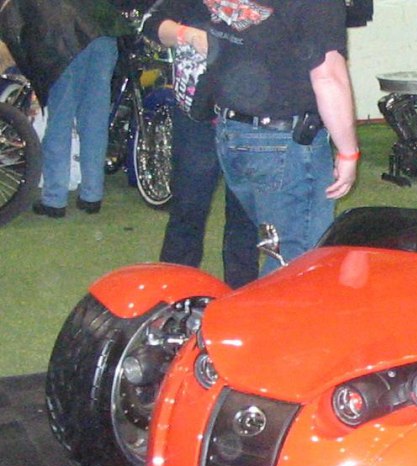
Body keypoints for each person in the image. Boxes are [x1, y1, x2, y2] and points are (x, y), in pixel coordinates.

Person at [203, 0, 359, 275]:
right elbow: (328, 79)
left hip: (232, 131)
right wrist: (348, 152)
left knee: (276, 247)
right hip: (281, 141)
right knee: (298, 263)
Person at [142, 0, 258, 288]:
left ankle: (241, 298)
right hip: (197, 117)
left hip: (250, 117)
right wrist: (187, 34)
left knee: (245, 218)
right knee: (188, 209)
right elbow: (152, 24)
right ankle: (173, 294)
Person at [0, 0, 150, 217]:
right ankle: (92, 194)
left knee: (59, 121)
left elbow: (15, 27)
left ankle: (54, 199)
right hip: (104, 35)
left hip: (62, 40)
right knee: (95, 119)